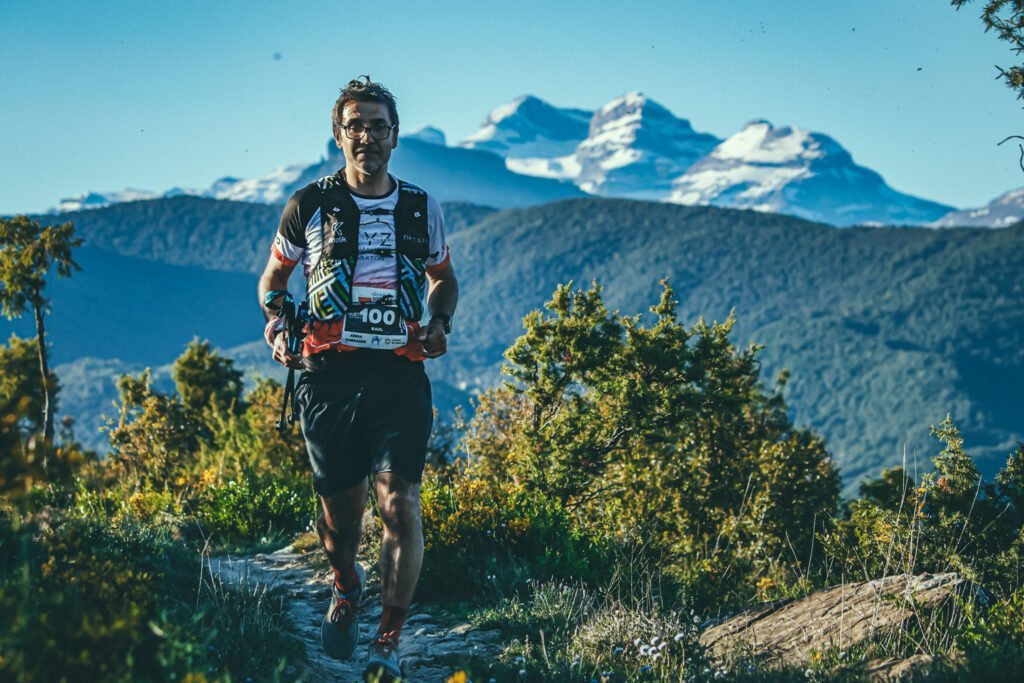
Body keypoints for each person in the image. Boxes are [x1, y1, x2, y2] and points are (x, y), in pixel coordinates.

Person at [257, 75, 458, 683]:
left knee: (400, 504)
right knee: (340, 522)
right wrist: (277, 325)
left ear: (395, 137)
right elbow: (273, 281)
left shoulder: (422, 207)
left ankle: (387, 642)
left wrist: (439, 319)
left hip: (400, 372)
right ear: (337, 135)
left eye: (377, 125)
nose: (366, 135)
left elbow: (442, 279)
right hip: (327, 374)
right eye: (355, 125)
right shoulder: (308, 205)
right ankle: (346, 584)